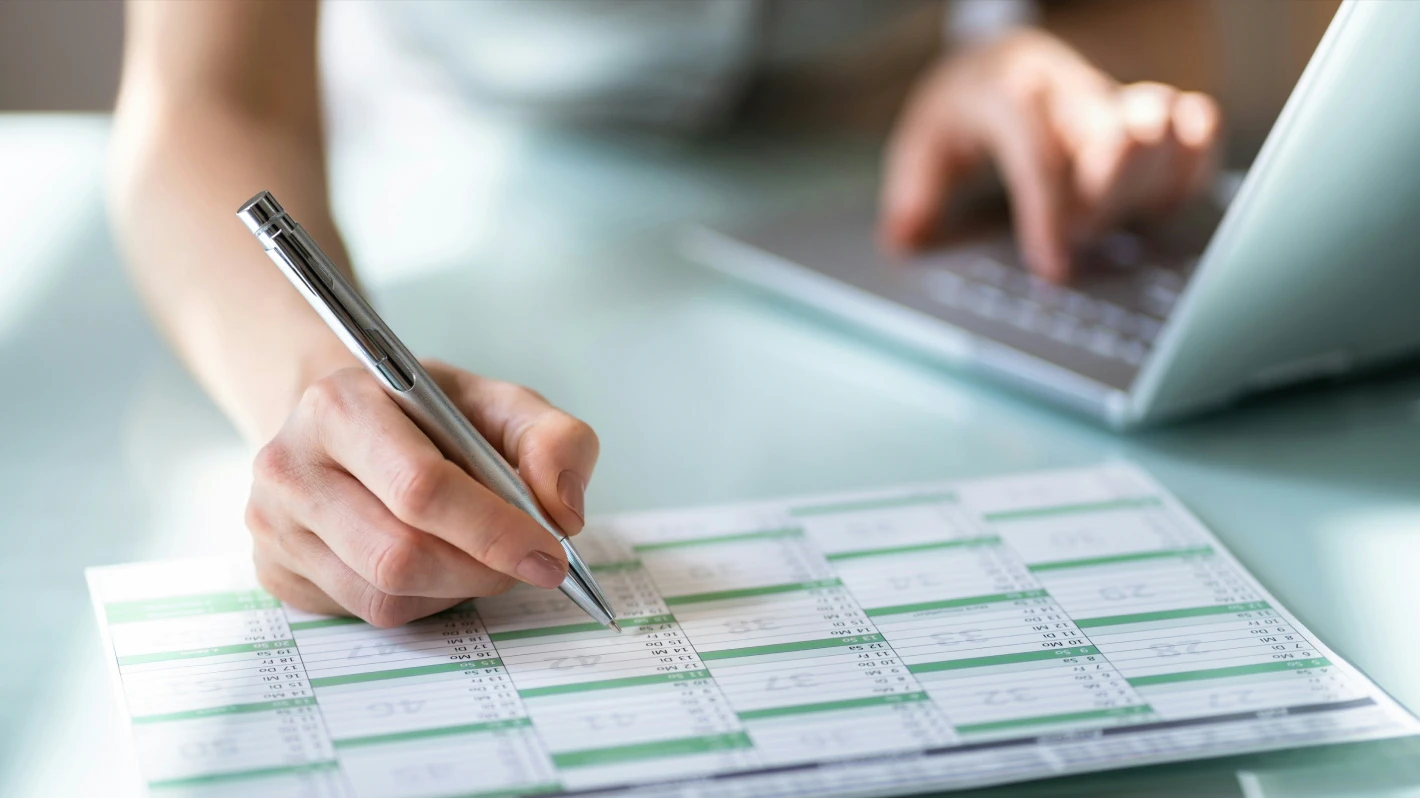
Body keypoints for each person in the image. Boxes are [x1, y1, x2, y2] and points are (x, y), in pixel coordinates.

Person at [108, 0, 1220, 627]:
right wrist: (317, 385)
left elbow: (1134, 19)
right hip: (441, 187)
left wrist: (1060, 73)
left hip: (909, 222)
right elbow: (205, 100)